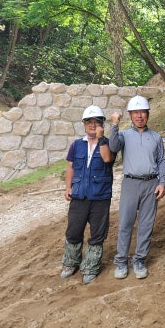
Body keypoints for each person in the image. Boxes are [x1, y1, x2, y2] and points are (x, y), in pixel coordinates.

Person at [108, 96, 165, 280]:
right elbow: (113, 146)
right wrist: (115, 125)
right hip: (130, 183)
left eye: (142, 112)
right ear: (130, 115)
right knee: (125, 222)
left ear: (147, 114)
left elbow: (162, 160)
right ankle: (121, 261)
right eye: (135, 113)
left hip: (151, 183)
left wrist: (162, 182)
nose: (139, 116)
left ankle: (139, 259)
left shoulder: (156, 137)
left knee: (146, 224)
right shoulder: (124, 135)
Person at [60, 105, 116, 284]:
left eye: (97, 122)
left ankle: (90, 267)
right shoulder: (76, 145)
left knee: (97, 234)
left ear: (102, 124)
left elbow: (107, 159)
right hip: (79, 195)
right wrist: (68, 187)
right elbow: (70, 167)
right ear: (83, 124)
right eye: (89, 122)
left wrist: (100, 139)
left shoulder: (108, 143)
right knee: (74, 230)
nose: (93, 125)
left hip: (100, 196)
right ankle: (71, 262)